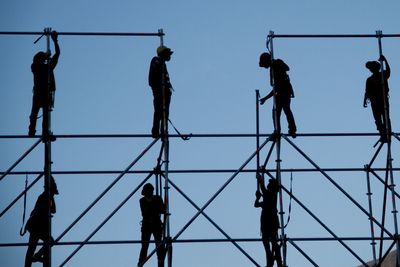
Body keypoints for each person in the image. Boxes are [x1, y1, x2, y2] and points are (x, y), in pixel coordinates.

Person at [28, 30, 60, 140]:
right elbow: (37, 60)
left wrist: (55, 41)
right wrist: (46, 55)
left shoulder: (48, 67)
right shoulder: (36, 67)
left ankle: (45, 134)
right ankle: (32, 130)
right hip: (39, 94)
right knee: (34, 113)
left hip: (45, 94)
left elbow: (57, 54)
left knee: (45, 116)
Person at [259, 52, 297, 138]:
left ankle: (292, 130)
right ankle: (277, 131)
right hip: (279, 92)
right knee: (275, 112)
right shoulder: (271, 70)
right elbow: (275, 87)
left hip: (285, 91)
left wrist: (276, 64)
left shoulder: (277, 63)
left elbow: (287, 68)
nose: (265, 67)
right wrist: (265, 98)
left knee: (286, 109)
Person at [24, 176, 59, 267]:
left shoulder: (47, 196)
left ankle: (35, 257)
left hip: (35, 226)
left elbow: (53, 210)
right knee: (48, 241)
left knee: (31, 248)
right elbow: (53, 209)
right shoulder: (45, 196)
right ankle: (36, 257)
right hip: (36, 226)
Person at [254, 174, 283, 267]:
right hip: (266, 222)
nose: (267, 186)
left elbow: (263, 189)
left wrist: (260, 180)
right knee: (267, 243)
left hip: (270, 222)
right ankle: (270, 261)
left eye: (269, 185)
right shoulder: (268, 197)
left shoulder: (272, 195)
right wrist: (257, 198)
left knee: (273, 242)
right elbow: (256, 205)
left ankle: (277, 262)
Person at [363, 55, 391, 142]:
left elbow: (389, 71)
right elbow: (367, 91)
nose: (371, 70)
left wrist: (385, 60)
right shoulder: (369, 79)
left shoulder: (383, 75)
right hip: (374, 102)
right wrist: (365, 100)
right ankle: (383, 135)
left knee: (386, 118)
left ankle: (387, 134)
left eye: (372, 68)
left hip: (383, 100)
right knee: (378, 119)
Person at [148, 45, 174, 138]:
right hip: (159, 91)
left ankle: (164, 132)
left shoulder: (164, 65)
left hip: (165, 93)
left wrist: (168, 88)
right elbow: (151, 79)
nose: (169, 56)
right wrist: (159, 87)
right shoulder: (156, 60)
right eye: (167, 54)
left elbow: (166, 80)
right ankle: (155, 131)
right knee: (158, 111)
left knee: (165, 112)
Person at [138, 183, 166, 267]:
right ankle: (141, 263)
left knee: (158, 244)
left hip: (156, 224)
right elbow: (144, 213)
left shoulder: (157, 198)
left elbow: (163, 209)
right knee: (144, 245)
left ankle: (160, 262)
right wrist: (154, 209)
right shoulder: (142, 200)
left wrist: (153, 209)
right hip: (147, 224)